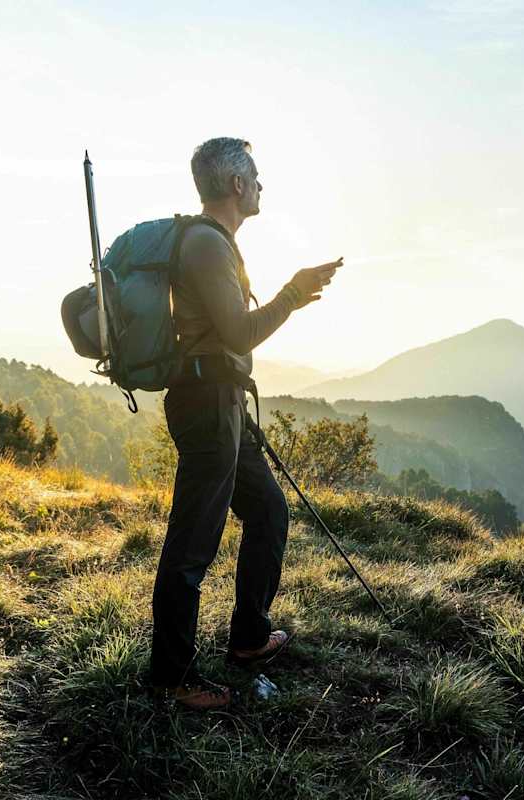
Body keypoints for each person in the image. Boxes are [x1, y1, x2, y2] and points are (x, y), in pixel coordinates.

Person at [148, 137, 340, 710]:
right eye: (255, 177)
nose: (260, 187)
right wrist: (292, 294)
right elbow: (238, 333)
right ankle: (172, 678)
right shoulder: (207, 245)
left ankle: (250, 639)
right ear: (236, 185)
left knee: (268, 511)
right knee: (192, 544)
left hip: (219, 399)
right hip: (206, 404)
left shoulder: (211, 242)